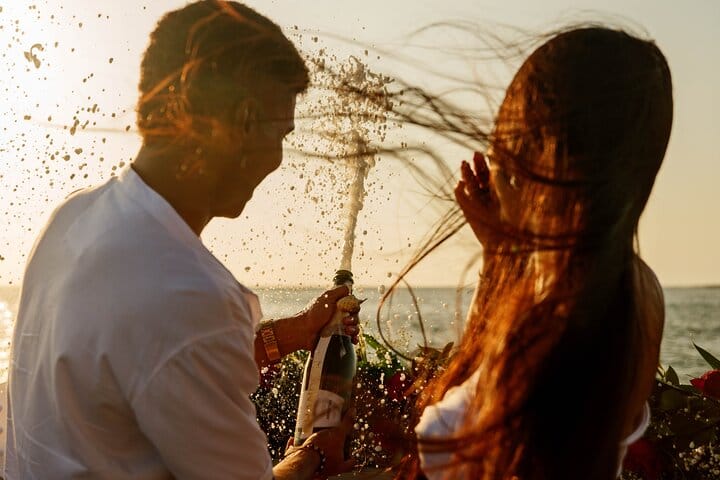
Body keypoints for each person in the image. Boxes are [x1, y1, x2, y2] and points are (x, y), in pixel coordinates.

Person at [4, 2, 357, 479]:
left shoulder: (71, 218)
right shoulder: (190, 297)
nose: (277, 159)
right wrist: (315, 452)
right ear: (243, 121)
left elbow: (155, 355)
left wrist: (294, 333)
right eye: (279, 133)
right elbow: (178, 333)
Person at [409, 27, 672, 479]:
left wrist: (500, 260)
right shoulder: (637, 289)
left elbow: (468, 438)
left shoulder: (556, 313)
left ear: (535, 156)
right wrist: (501, 254)